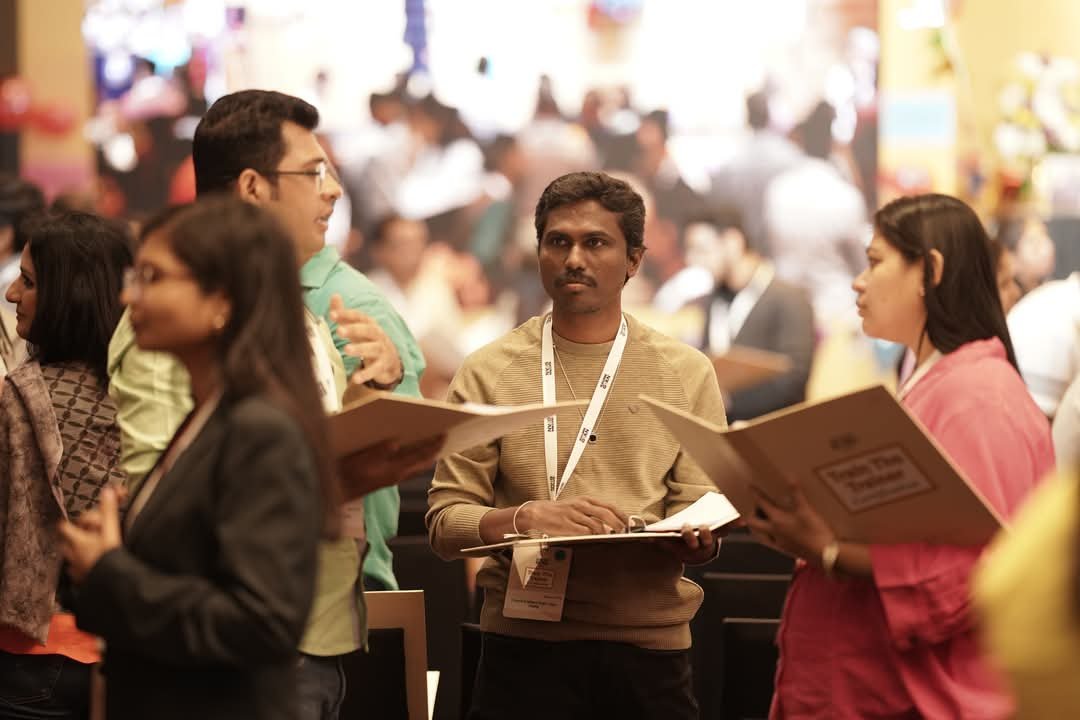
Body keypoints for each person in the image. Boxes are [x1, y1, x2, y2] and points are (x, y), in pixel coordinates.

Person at [106, 89, 435, 719]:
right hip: (236, 655)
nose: (334, 190)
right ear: (254, 187)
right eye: (313, 172)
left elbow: (318, 454)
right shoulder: (182, 325)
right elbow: (165, 503)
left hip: (316, 631)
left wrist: (380, 384)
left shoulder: (293, 316)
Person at [427, 171, 726, 720]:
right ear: (538, 250)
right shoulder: (489, 371)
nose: (573, 258)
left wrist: (697, 541)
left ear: (634, 259)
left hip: (649, 648)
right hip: (522, 648)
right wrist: (524, 519)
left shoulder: (686, 372)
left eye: (595, 242)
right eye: (557, 241)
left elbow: (704, 511)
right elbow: (445, 523)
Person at [748, 193, 1054, 719]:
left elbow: (984, 571)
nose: (857, 282)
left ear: (929, 270)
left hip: (913, 699)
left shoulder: (979, 397)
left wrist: (827, 550)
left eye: (874, 262)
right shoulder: (933, 380)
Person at [57, 198, 333, 719]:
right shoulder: (208, 417)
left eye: (152, 277)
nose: (127, 294)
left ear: (222, 299)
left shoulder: (260, 429)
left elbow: (264, 623)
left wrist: (112, 571)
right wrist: (92, 567)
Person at [0, 211, 131, 720]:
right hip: (130, 654)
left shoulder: (17, 397)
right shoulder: (151, 396)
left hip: (32, 661)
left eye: (28, 282)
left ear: (69, 295)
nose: (11, 294)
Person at [673, 209, 815, 422]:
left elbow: (794, 380)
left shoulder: (789, 298)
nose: (693, 260)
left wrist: (729, 402)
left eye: (701, 250)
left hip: (775, 434)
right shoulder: (714, 299)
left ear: (733, 242)